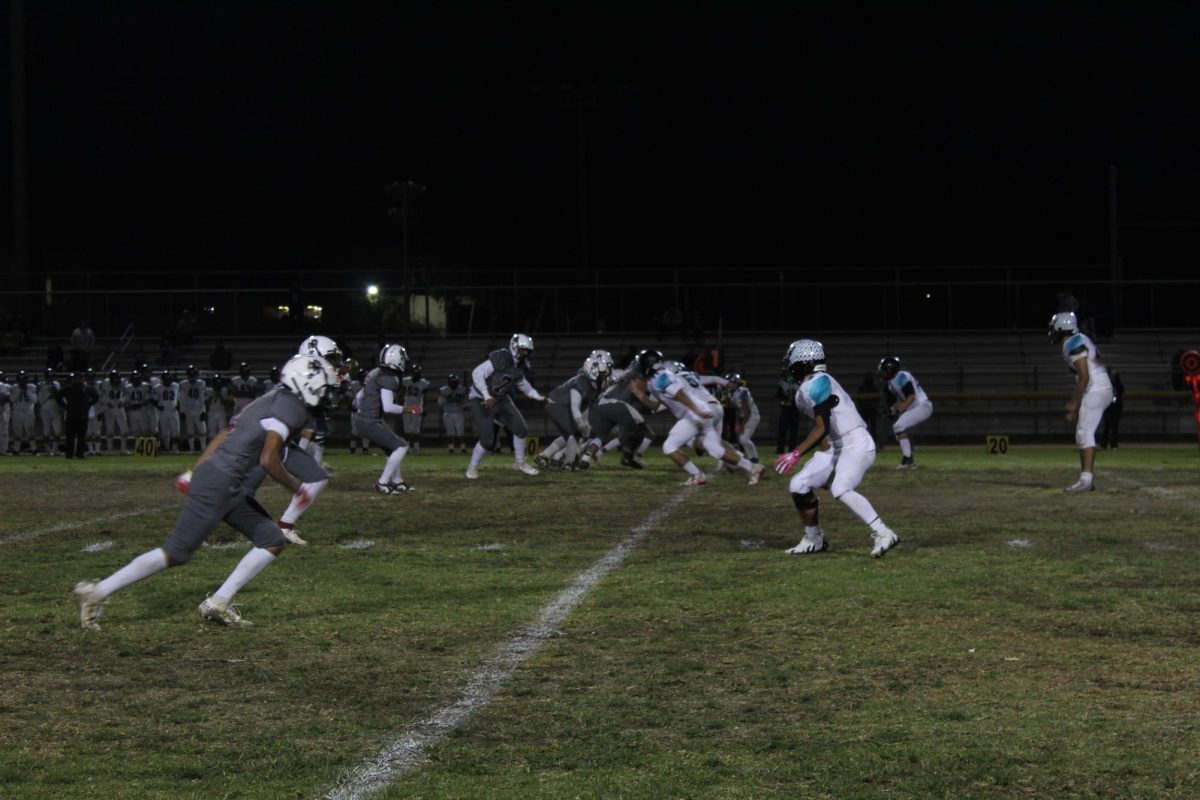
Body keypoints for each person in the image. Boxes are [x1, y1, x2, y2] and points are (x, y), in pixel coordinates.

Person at [73, 355, 339, 630]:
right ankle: (96, 592)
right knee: (176, 553)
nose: (327, 394)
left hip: (226, 482)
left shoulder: (271, 398)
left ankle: (218, 602)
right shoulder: (291, 406)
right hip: (222, 482)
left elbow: (225, 433)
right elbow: (268, 459)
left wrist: (194, 471)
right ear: (306, 382)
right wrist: (297, 489)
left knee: (271, 539)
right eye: (324, 387)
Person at [775, 339, 899, 558]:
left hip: (856, 443)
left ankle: (884, 532)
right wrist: (825, 466)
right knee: (799, 484)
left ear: (802, 360)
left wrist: (795, 453)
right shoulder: (808, 387)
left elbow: (821, 428)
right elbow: (825, 432)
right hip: (837, 446)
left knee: (840, 488)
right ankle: (814, 539)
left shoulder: (816, 382)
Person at [646, 361, 765, 486]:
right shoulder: (689, 375)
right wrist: (726, 383)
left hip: (701, 410)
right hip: (715, 407)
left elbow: (676, 397)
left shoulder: (673, 379)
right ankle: (753, 467)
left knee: (671, 445)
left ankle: (698, 475)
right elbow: (712, 379)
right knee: (715, 449)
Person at [465, 333, 545, 479]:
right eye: (523, 350)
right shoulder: (502, 357)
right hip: (480, 398)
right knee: (487, 440)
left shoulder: (521, 365)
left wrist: (536, 395)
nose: (526, 353)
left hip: (500, 398)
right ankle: (472, 467)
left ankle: (519, 463)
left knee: (521, 429)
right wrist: (486, 395)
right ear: (514, 348)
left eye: (528, 351)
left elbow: (523, 384)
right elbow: (477, 373)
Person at [1049, 311, 1113, 492]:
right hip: (1099, 387)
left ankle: (1086, 481)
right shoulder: (1078, 339)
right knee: (1083, 433)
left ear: (1062, 327)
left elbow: (1084, 377)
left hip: (1096, 388)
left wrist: (1074, 403)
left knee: (1085, 432)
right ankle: (1086, 480)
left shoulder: (1073, 342)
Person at [580, 349, 661, 469]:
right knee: (643, 430)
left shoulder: (627, 373)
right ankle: (629, 457)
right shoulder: (640, 375)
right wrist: (654, 403)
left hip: (602, 404)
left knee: (601, 436)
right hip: (618, 405)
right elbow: (640, 396)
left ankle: (585, 458)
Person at [351, 343, 415, 493]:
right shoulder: (388, 378)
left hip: (365, 419)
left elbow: (360, 396)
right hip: (370, 421)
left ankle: (397, 481)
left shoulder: (375, 372)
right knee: (401, 446)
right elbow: (388, 407)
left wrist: (363, 411)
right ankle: (382, 482)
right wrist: (409, 409)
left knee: (393, 448)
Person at [537, 350, 612, 470]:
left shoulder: (593, 386)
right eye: (602, 376)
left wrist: (585, 424)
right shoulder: (581, 382)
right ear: (593, 373)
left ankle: (545, 456)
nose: (604, 379)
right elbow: (574, 406)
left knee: (575, 434)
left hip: (563, 404)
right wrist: (580, 422)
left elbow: (586, 408)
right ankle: (569, 463)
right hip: (556, 403)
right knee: (572, 433)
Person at [878, 356, 934, 469]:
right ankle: (908, 459)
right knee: (897, 428)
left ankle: (908, 460)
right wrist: (891, 409)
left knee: (899, 426)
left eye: (884, 371)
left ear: (890, 370)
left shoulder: (901, 376)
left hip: (922, 406)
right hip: (916, 407)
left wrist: (899, 409)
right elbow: (902, 399)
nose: (882, 374)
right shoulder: (892, 382)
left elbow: (911, 397)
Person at [59, 372, 99, 459]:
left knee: (81, 437)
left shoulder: (87, 389)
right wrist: (65, 406)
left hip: (82, 416)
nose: (77, 380)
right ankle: (69, 454)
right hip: (71, 416)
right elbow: (58, 397)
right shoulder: (68, 389)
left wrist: (89, 404)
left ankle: (80, 453)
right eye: (76, 378)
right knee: (70, 437)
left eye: (79, 378)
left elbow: (96, 397)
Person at [727, 372, 760, 463]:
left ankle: (753, 458)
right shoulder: (731, 393)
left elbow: (747, 411)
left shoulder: (743, 391)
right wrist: (737, 423)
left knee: (744, 439)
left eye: (731, 382)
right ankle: (750, 458)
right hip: (745, 416)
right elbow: (737, 409)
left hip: (752, 416)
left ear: (736, 383)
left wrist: (741, 425)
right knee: (742, 439)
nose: (728, 384)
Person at [401, 363, 431, 453]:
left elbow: (425, 396)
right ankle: (407, 446)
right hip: (407, 406)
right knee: (407, 429)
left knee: (415, 429)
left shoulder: (423, 383)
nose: (416, 375)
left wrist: (425, 407)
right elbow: (401, 393)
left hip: (416, 406)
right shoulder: (406, 381)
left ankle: (415, 447)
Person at [438, 373, 469, 454]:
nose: (453, 383)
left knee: (461, 432)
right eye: (452, 382)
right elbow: (440, 402)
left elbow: (466, 402)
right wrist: (447, 399)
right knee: (450, 432)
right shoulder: (443, 390)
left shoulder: (462, 389)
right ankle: (451, 449)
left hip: (459, 412)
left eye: (455, 382)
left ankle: (463, 448)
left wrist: (464, 405)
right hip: (448, 412)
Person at [179, 365, 208, 453]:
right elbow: (182, 399)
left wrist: (203, 411)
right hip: (188, 410)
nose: (192, 377)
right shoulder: (183, 384)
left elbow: (202, 398)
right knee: (190, 431)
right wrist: (182, 411)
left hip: (199, 409)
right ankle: (192, 449)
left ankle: (203, 448)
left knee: (202, 430)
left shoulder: (201, 383)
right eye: (191, 375)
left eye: (193, 375)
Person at [100, 370, 129, 454]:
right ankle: (109, 450)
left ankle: (123, 449)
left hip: (119, 408)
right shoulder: (105, 383)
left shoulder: (123, 383)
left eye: (117, 379)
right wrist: (106, 402)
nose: (116, 382)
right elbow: (101, 395)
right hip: (109, 408)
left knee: (124, 430)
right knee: (110, 431)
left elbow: (127, 394)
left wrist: (123, 401)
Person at [36, 369, 64, 456]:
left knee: (57, 430)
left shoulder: (56, 384)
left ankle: (55, 449)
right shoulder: (40, 385)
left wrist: (53, 388)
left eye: (51, 375)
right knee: (46, 430)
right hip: (44, 408)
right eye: (49, 376)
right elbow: (39, 399)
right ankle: (48, 450)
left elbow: (58, 394)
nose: (50, 377)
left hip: (55, 407)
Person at [154, 370, 181, 454]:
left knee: (176, 431)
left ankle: (174, 448)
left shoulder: (176, 386)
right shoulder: (157, 387)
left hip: (173, 411)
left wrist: (179, 404)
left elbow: (180, 397)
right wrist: (158, 406)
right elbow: (153, 400)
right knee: (165, 433)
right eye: (166, 379)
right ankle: (167, 448)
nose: (167, 381)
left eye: (168, 379)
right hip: (163, 412)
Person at [11, 371, 37, 454]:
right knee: (17, 431)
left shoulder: (32, 387)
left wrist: (27, 391)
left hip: (28, 411)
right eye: (21, 379)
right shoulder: (14, 387)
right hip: (17, 411)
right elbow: (12, 399)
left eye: (23, 379)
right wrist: (19, 390)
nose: (22, 381)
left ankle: (34, 449)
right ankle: (16, 449)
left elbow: (35, 400)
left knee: (30, 431)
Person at [775, 371, 799, 454]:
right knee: (782, 430)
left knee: (794, 430)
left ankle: (792, 449)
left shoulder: (797, 383)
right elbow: (778, 394)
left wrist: (793, 398)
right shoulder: (782, 382)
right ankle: (780, 449)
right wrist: (785, 396)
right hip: (785, 408)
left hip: (794, 408)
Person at [1100, 369, 1124, 450]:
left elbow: (1120, 392)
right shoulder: (1106, 386)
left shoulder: (1118, 386)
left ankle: (1112, 443)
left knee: (1114, 427)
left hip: (1115, 408)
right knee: (1108, 427)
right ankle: (1105, 443)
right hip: (1109, 407)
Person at [0, 371, 11, 455]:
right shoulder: (3, 385)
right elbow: (5, 398)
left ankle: (3, 450)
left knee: (4, 431)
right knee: (4, 431)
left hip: (4, 409)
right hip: (3, 410)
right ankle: (3, 450)